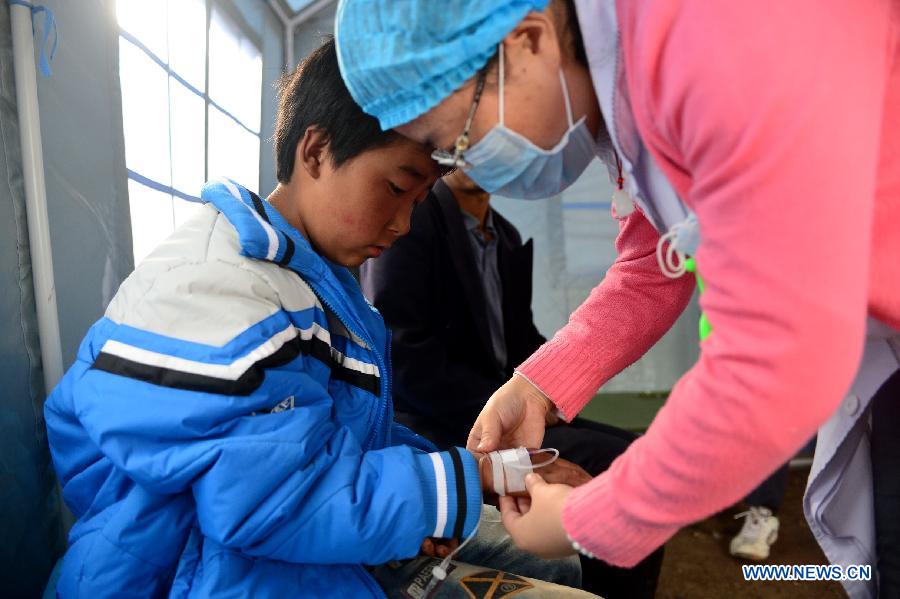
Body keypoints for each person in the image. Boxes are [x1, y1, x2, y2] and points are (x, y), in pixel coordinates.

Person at [333, 1, 900, 596]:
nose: (462, 167)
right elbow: (653, 266)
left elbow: (774, 351)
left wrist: (587, 520)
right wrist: (536, 385)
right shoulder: (627, 91)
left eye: (458, 139)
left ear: (526, 41)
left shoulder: (709, 35)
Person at [42, 38, 597, 598]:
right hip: (210, 572)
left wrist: (476, 477)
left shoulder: (309, 281)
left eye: (419, 201)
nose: (404, 224)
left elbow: (332, 442)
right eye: (396, 189)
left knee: (559, 562)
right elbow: (271, 500)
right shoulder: (213, 290)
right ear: (315, 151)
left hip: (292, 545)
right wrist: (463, 481)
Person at [360, 169, 663, 597]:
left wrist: (547, 393)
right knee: (613, 466)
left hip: (510, 407)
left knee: (636, 455)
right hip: (445, 420)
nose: (473, 154)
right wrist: (507, 406)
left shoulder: (504, 234)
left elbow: (524, 339)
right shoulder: (415, 221)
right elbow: (406, 357)